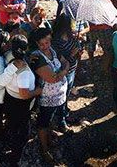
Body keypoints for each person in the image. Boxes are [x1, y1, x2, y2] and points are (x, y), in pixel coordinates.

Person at [32, 27, 70, 164]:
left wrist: (62, 72)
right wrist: (64, 71)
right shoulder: (36, 57)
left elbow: (66, 62)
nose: (45, 46)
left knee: (50, 118)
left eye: (47, 43)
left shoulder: (53, 50)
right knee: (43, 122)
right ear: (37, 44)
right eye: (41, 44)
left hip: (59, 96)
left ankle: (49, 138)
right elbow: (52, 78)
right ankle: (44, 148)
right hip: (46, 98)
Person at [3, 35, 42, 165]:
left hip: (9, 98)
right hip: (19, 104)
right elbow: (24, 94)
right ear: (26, 49)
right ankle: (15, 157)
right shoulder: (24, 72)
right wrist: (37, 91)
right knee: (21, 133)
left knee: (11, 124)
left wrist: (27, 59)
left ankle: (9, 140)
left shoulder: (9, 56)